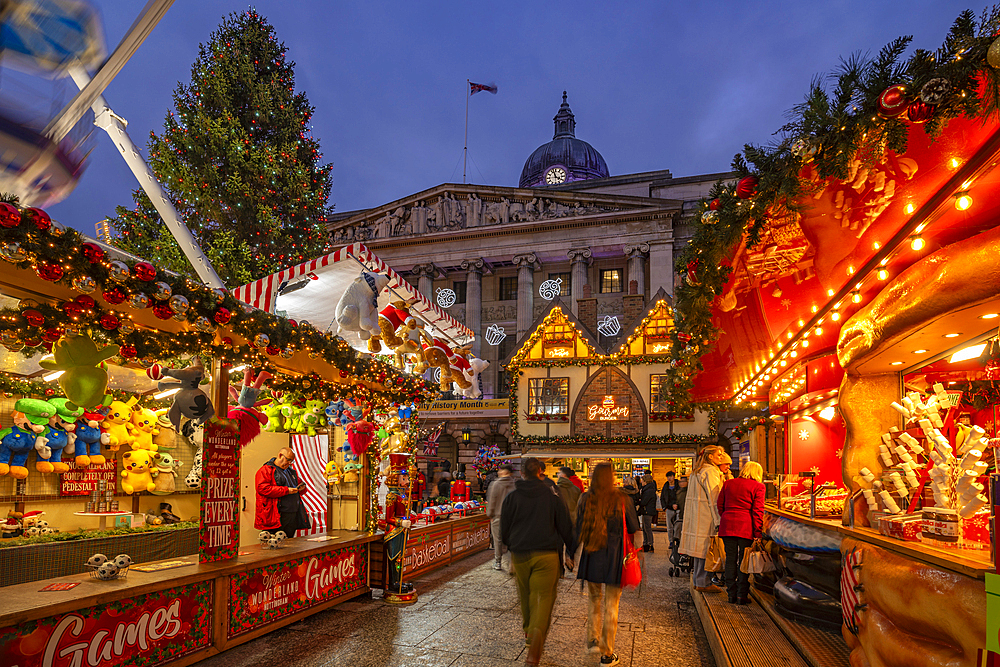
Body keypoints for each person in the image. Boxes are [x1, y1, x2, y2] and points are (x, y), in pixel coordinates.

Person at [501, 457, 576, 666]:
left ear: (522, 474)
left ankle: (528, 632)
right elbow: (565, 525)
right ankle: (535, 645)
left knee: (525, 595)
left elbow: (504, 529)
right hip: (547, 554)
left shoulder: (512, 497)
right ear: (540, 473)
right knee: (543, 597)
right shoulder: (552, 496)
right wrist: (570, 550)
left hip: (521, 554)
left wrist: (512, 545)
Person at [575, 462, 639, 667]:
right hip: (615, 556)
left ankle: (593, 640)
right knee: (612, 605)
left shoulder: (586, 498)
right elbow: (633, 526)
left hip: (592, 553)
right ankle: (607, 654)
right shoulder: (622, 499)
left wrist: (569, 552)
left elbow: (578, 527)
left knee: (594, 599)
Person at [679, 444, 728, 592]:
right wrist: (719, 519)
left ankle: (698, 580)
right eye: (718, 455)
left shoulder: (696, 471)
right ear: (710, 456)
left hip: (696, 515)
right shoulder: (711, 471)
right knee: (707, 549)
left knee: (700, 549)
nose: (721, 457)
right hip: (707, 516)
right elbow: (715, 498)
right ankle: (703, 582)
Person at [717, 460, 765, 605]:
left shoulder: (729, 483)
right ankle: (741, 595)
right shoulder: (758, 487)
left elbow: (720, 504)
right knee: (744, 560)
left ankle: (731, 594)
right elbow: (758, 511)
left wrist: (726, 516)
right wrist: (758, 532)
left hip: (727, 524)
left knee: (730, 558)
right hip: (745, 526)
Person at [254, 447, 309, 538]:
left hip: (292, 515)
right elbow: (262, 488)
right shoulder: (266, 470)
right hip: (275, 516)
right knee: (274, 544)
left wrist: (302, 487)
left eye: (292, 461)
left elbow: (300, 485)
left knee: (289, 544)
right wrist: (286, 491)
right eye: (288, 460)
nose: (289, 463)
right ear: (280, 455)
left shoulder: (290, 471)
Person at [486, 464, 516, 571]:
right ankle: (511, 562)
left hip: (498, 515)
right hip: (512, 517)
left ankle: (498, 562)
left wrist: (490, 514)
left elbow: (492, 500)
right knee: (511, 539)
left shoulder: (496, 484)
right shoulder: (514, 484)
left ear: (504, 472)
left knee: (497, 539)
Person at [637, 473, 658, 552]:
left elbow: (644, 501)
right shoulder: (649, 489)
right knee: (645, 528)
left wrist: (639, 501)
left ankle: (649, 544)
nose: (641, 482)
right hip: (646, 510)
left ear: (646, 481)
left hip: (647, 511)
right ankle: (645, 543)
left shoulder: (648, 490)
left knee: (647, 528)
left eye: (642, 481)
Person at [660, 471, 681, 540]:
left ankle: (677, 540)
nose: (669, 478)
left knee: (678, 526)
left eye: (671, 476)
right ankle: (671, 541)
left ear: (674, 477)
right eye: (668, 477)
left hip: (678, 508)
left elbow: (681, 496)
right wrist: (664, 507)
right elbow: (662, 497)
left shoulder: (679, 485)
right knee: (669, 527)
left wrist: (677, 504)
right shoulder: (666, 486)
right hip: (669, 508)